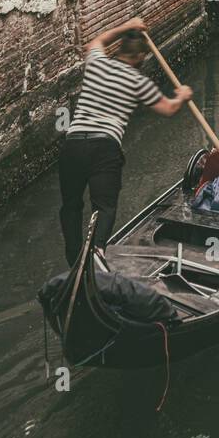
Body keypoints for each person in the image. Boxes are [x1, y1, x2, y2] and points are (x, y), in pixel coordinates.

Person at [59, 17, 193, 265]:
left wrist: (127, 26)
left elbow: (95, 42)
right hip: (104, 147)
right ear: (141, 57)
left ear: (119, 49)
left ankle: (74, 259)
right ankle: (97, 251)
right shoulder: (138, 81)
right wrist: (182, 95)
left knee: (71, 206)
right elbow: (168, 109)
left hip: (73, 145)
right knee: (105, 206)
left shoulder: (97, 63)